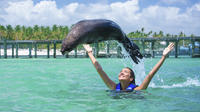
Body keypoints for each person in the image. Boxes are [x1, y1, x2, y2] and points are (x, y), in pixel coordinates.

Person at [83, 43, 174, 91]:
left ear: (131, 78)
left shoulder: (138, 89)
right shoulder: (114, 87)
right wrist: (89, 52)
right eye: (121, 71)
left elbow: (150, 74)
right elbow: (99, 69)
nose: (121, 72)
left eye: (125, 72)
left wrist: (163, 57)